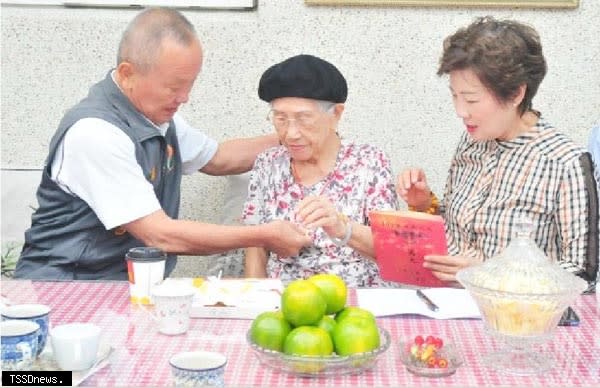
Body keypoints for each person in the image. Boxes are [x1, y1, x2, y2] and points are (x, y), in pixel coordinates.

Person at [15, 7, 311, 281]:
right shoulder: (95, 133)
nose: (184, 98)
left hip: (125, 283)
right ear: (127, 74)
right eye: (174, 87)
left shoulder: (155, 117)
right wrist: (263, 235)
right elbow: (160, 235)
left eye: (190, 84)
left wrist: (294, 135)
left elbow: (218, 158)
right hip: (69, 286)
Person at [397, 17, 596, 285]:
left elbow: (580, 274)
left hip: (516, 319)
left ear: (515, 94)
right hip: (447, 307)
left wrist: (491, 274)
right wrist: (424, 205)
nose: (460, 111)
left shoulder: (565, 162)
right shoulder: (471, 141)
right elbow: (461, 232)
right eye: (454, 95)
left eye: (471, 99)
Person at [242, 54, 398, 287]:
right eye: (280, 118)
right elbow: (256, 245)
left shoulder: (369, 162)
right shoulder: (268, 163)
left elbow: (392, 251)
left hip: (356, 300)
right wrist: (254, 297)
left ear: (335, 114)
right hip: (284, 301)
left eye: (304, 119)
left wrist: (341, 227)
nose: (291, 133)